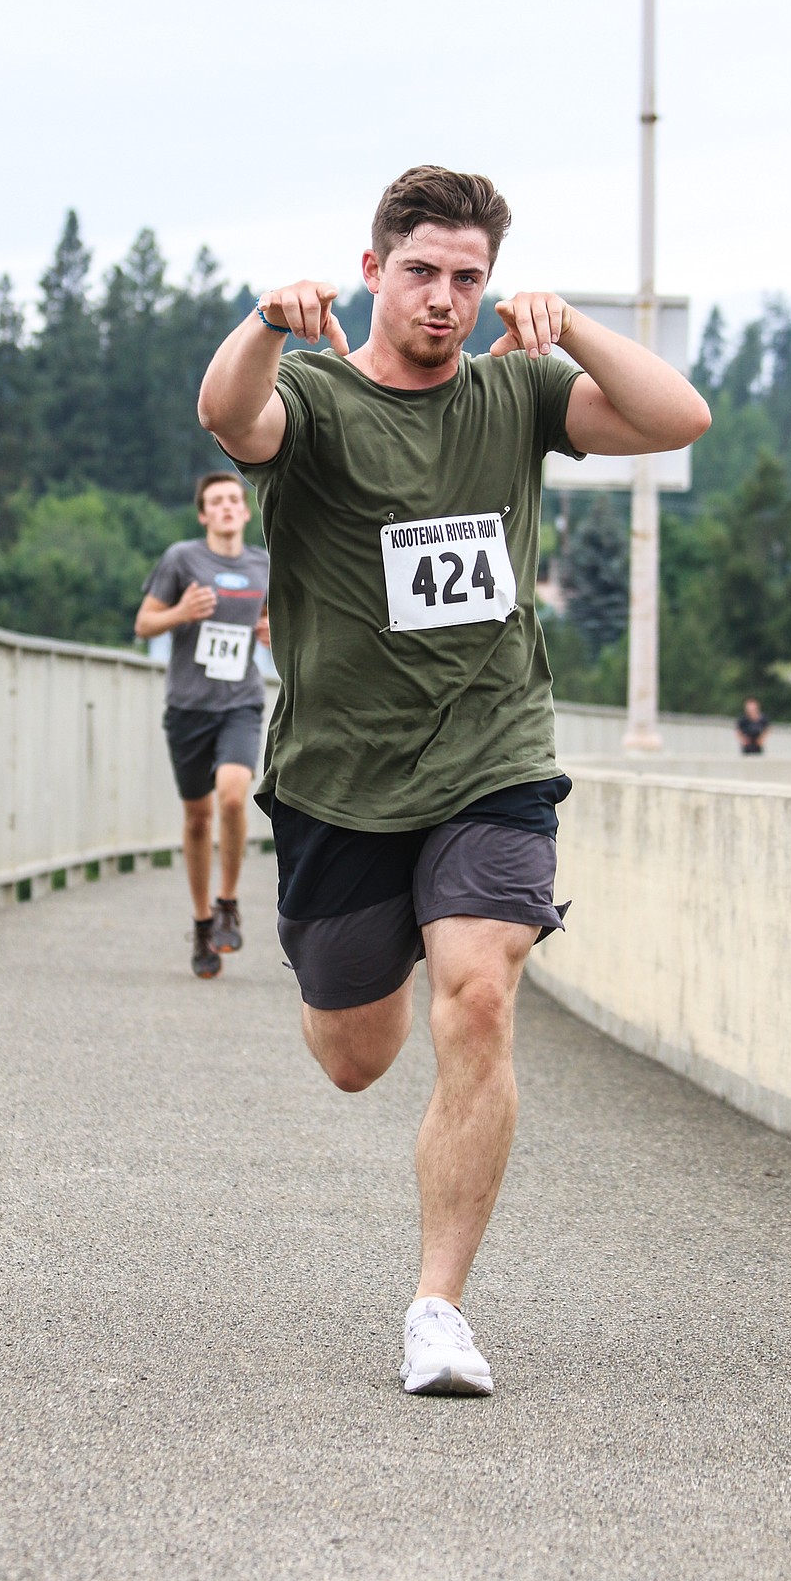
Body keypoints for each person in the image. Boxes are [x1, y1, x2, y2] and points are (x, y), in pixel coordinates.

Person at [197, 165, 711, 1396]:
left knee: (479, 991)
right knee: (355, 1055)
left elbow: (678, 417)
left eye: (467, 279)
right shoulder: (312, 395)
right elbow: (231, 418)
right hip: (341, 774)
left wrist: (571, 323)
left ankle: (438, 1309)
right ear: (374, 271)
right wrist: (268, 321)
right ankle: (368, 953)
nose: (444, 298)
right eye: (422, 271)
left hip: (492, 753)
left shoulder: (515, 394)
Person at [134, 472, 270, 979]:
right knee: (197, 819)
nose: (229, 507)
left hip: (240, 701)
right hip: (188, 706)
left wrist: (275, 632)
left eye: (236, 499)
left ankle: (229, 901)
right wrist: (181, 612)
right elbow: (144, 623)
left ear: (246, 510)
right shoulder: (181, 560)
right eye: (217, 501)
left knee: (233, 795)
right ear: (203, 514)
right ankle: (201, 922)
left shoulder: (264, 566)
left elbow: (281, 623)